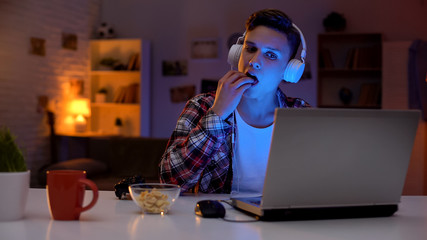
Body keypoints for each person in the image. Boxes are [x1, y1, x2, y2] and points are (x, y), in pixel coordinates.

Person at [160, 9, 310, 194]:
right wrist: (217, 115)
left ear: (289, 71)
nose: (254, 61)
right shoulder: (202, 106)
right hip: (218, 221)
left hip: (281, 222)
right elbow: (170, 181)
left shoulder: (301, 114)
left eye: (271, 55)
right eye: (250, 49)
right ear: (238, 53)